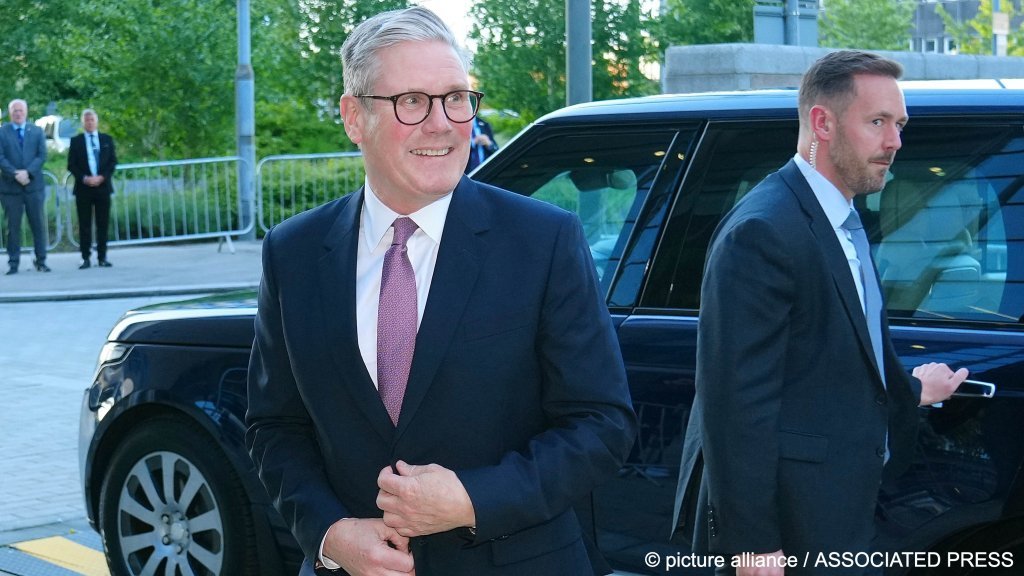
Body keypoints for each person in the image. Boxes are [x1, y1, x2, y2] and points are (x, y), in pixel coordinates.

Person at [245, 7, 636, 576]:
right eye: (412, 101)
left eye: (456, 97)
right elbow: (274, 426)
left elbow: (602, 424)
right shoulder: (294, 252)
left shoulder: (542, 240)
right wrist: (328, 534)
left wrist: (474, 499)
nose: (443, 124)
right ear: (354, 117)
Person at [674, 50, 969, 575]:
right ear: (822, 122)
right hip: (789, 527)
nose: (895, 141)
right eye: (878, 122)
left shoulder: (841, 220)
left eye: (899, 124)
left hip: (843, 507)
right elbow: (735, 407)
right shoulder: (764, 231)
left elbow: (833, 352)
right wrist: (753, 545)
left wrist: (912, 390)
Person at [0, 99, 49, 274]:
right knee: (12, 228)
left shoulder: (36, 131)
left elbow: (42, 155)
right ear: (10, 112)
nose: (18, 113)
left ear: (26, 112)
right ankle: (13, 263)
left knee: (37, 225)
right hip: (10, 188)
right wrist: (15, 173)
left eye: (20, 110)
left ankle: (41, 260)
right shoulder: (2, 132)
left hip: (33, 186)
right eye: (14, 111)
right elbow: (1, 157)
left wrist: (28, 172)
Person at [67, 109, 118, 269]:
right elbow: (71, 165)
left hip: (103, 187)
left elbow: (112, 162)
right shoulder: (76, 141)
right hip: (84, 188)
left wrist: (102, 177)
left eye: (92, 120)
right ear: (83, 123)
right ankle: (85, 257)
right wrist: (85, 178)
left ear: (97, 122)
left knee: (103, 223)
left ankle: (102, 257)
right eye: (87, 120)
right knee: (85, 224)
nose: (90, 122)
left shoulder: (106, 140)